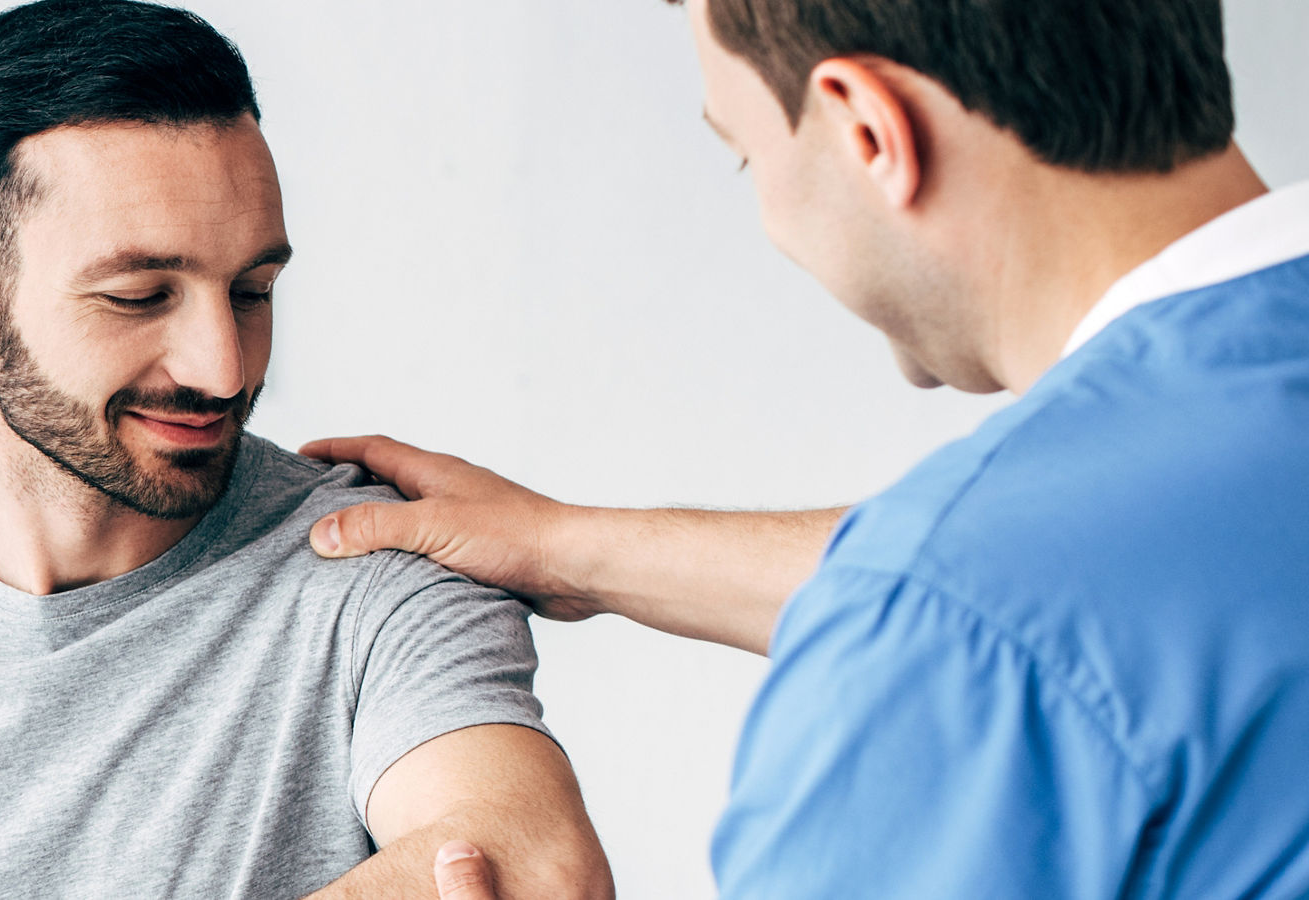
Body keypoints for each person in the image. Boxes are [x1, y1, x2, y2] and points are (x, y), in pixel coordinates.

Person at [305, 0, 1309, 896]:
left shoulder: (949, 625)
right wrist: (570, 547)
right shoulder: (1083, 555)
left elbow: (991, 607)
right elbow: (1132, 579)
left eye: (747, 153)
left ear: (869, 130)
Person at [0, 2, 615, 898]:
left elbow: (536, 870)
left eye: (253, 290)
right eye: (140, 296)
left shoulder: (374, 563)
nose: (223, 369)